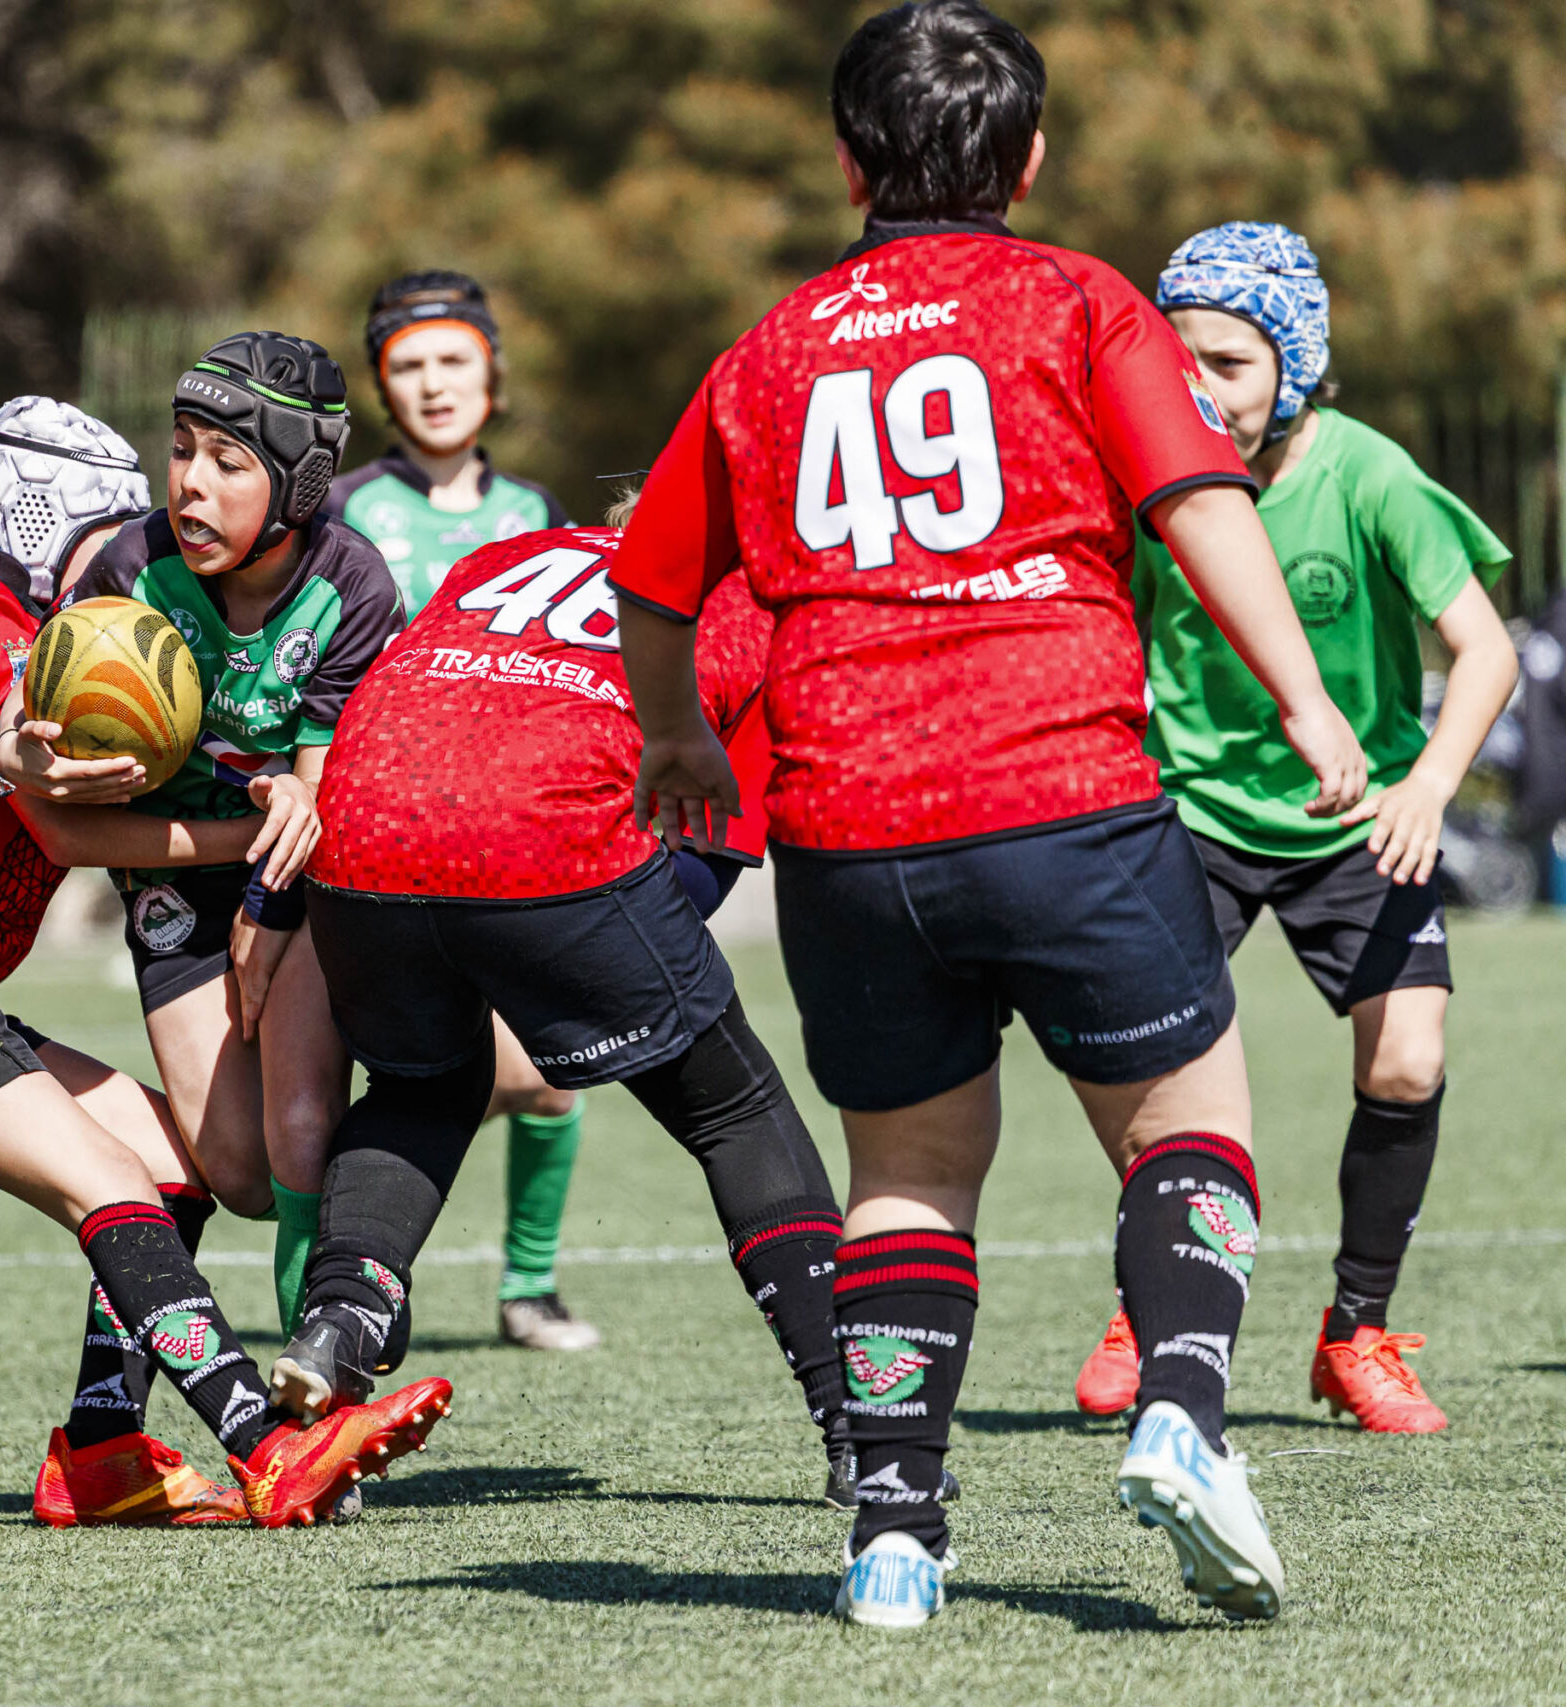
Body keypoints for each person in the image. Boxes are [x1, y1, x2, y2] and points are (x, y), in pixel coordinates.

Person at [610, 0, 1368, 1626]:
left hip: (845, 828)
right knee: (1188, 1122)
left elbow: (654, 582)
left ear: (846, 156)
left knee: (909, 1175)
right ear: (1026, 156)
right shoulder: (1077, 300)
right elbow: (1196, 495)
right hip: (1062, 795)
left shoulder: (770, 347)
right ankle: (1183, 1405)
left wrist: (679, 742)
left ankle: (893, 1533)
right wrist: (1306, 696)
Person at [0, 395, 451, 1529]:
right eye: (101, 538)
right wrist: (251, 820)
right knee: (112, 1185)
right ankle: (267, 1448)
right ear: (51, 520)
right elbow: (40, 777)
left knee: (172, 1162)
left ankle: (99, 1451)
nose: (116, 571)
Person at [268, 508, 900, 1515]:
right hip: (536, 839)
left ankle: (341, 1315)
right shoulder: (769, 596)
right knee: (730, 1108)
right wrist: (555, 961)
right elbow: (700, 866)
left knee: (420, 1088)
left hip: (355, 822)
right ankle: (863, 1432)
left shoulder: (511, 549)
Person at [1069, 223, 1517, 1435]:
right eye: (1180, 363)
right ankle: (1159, 1301)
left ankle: (1353, 1335)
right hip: (1190, 813)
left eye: (1228, 363)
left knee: (1407, 1061)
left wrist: (1423, 786)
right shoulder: (1142, 470)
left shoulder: (1368, 473)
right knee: (1151, 1075)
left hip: (1354, 818)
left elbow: (1485, 650)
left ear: (1295, 367)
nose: (1198, 389)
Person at [28, 332, 405, 1345]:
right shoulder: (126, 570)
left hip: (302, 879)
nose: (190, 484)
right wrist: (39, 760)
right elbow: (65, 829)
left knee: (297, 1130)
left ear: (301, 481)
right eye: (182, 447)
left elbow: (316, 812)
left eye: (230, 463)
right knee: (237, 1171)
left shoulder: (350, 585)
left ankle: (322, 1384)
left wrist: (271, 915)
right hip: (180, 872)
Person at [321, 271, 598, 1353]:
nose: (434, 385)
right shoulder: (345, 509)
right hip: (373, 835)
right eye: (408, 366)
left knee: (556, 1074)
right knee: (437, 1072)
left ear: (491, 371)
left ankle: (528, 1287)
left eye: (453, 360)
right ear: (384, 386)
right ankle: (359, 1272)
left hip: (503, 829)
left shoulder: (534, 515)